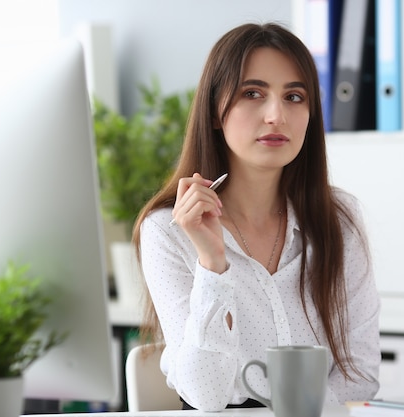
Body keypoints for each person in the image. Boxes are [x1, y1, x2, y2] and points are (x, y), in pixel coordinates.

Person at [131, 22, 380, 412]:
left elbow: (360, 374)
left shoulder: (339, 219)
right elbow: (205, 395)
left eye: (294, 96)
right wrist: (212, 264)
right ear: (215, 111)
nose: (276, 115)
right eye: (252, 93)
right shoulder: (167, 230)